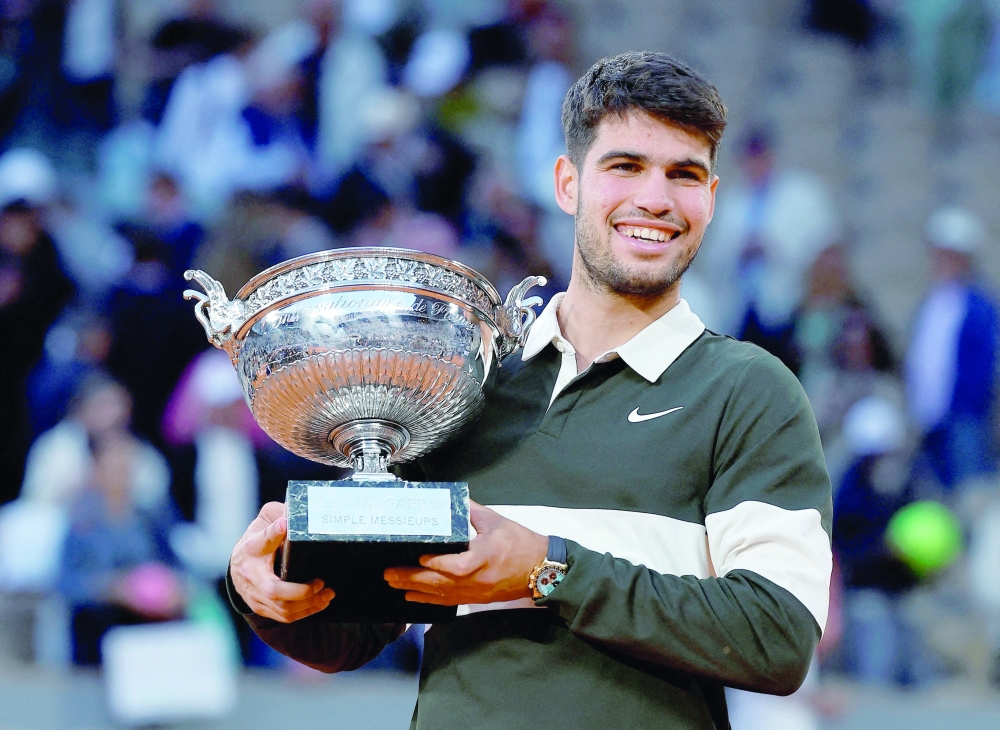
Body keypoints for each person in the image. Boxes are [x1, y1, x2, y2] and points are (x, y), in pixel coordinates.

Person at [226, 52, 833, 729]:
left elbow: (777, 637)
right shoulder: (462, 385)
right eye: (625, 166)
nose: (656, 199)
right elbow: (357, 630)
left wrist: (550, 571)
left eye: (683, 175)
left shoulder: (749, 391)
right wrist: (269, 586)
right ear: (567, 183)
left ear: (712, 199)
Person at [904, 206, 998, 492]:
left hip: (962, 418)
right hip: (927, 419)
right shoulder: (931, 302)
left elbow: (980, 367)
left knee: (968, 490)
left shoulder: (978, 306)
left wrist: (963, 405)